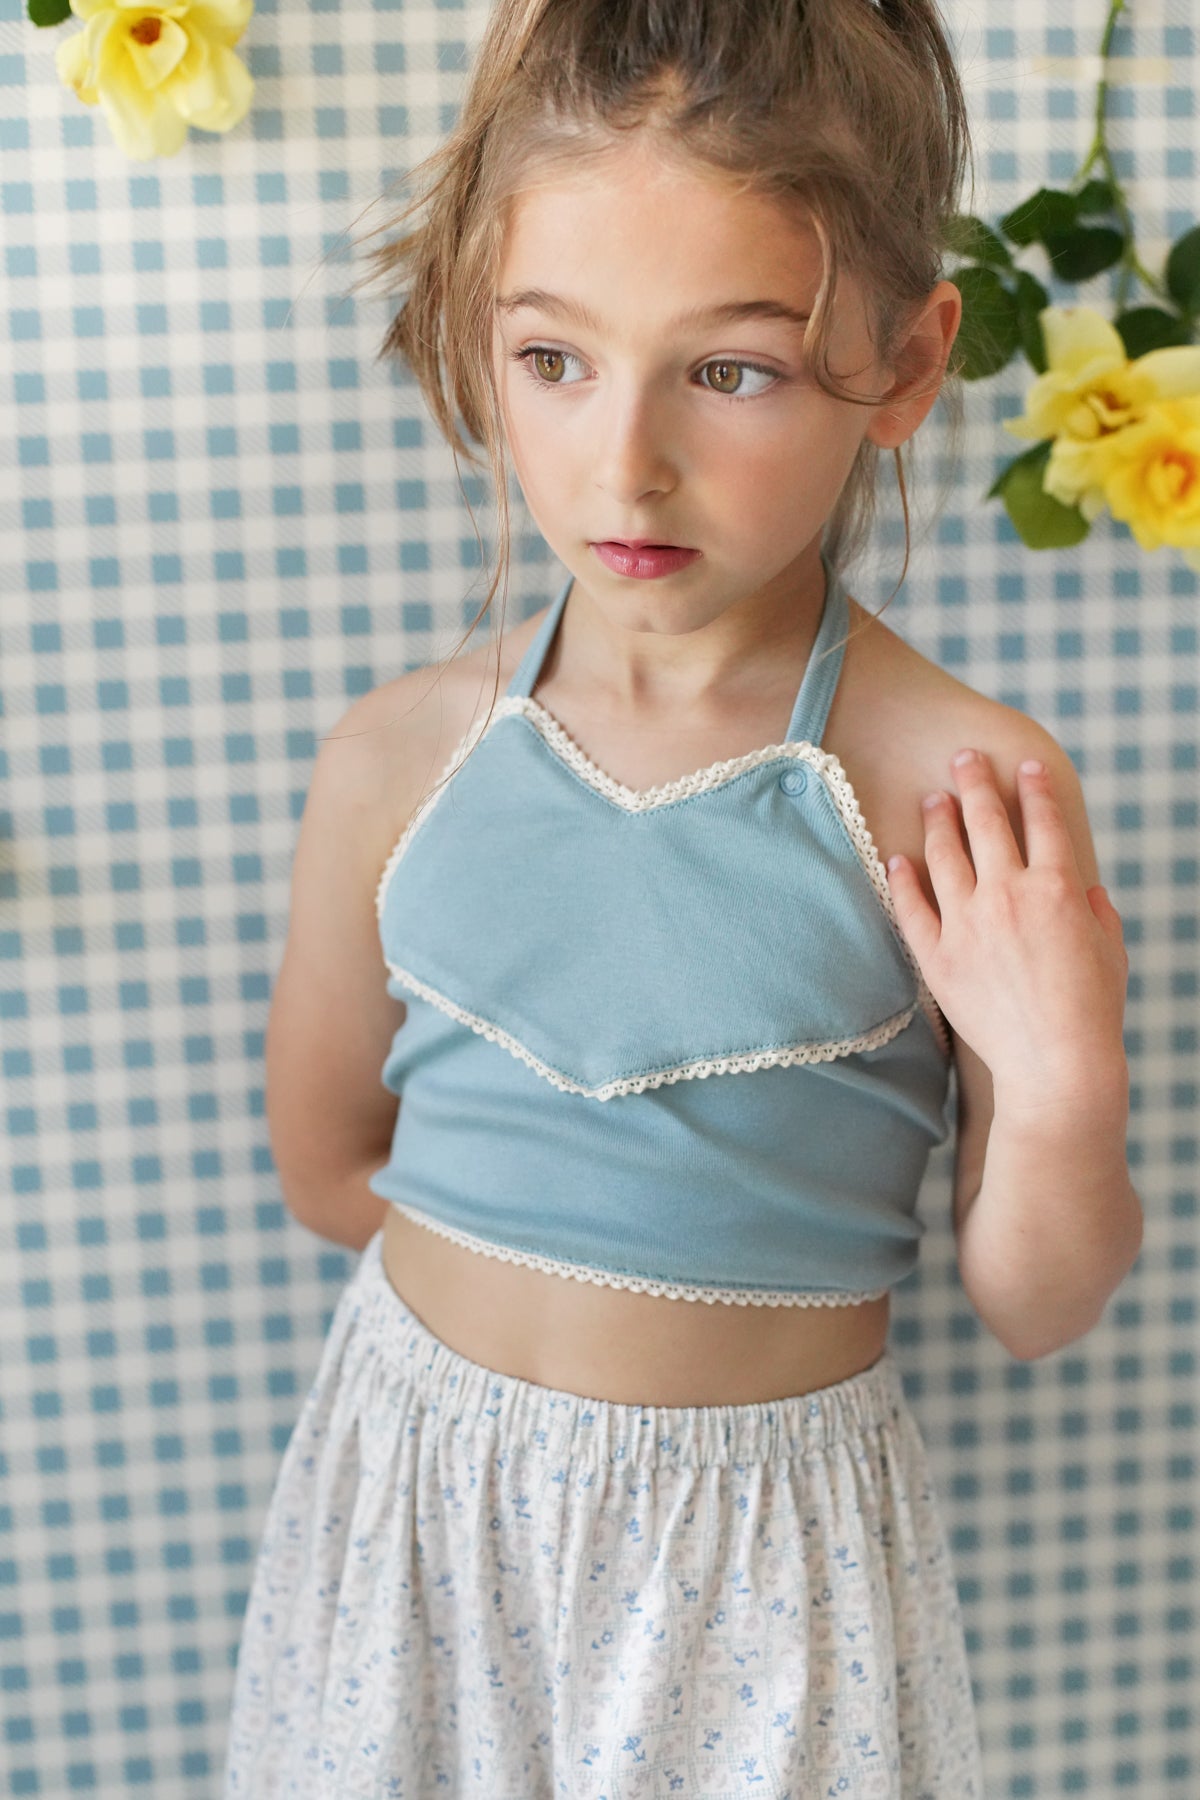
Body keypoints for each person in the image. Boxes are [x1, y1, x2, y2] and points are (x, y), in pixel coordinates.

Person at [223, 1, 1144, 1793]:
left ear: (907, 362)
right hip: (416, 1525)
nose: (623, 462)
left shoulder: (957, 787)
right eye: (553, 358)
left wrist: (1063, 1080)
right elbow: (331, 1168)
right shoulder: (399, 760)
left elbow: (1039, 1305)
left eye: (731, 372)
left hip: (758, 1572)